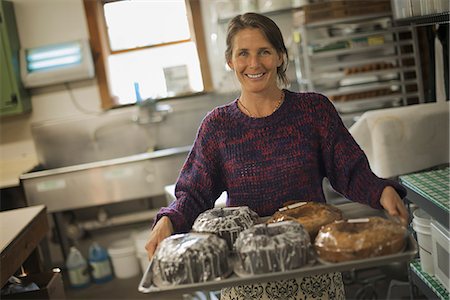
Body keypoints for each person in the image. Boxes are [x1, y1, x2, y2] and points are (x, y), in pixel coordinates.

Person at [145, 12, 409, 299]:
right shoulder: (218, 126)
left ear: (281, 57)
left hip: (310, 272)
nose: (254, 64)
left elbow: (348, 169)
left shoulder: (313, 111)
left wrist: (381, 190)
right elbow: (195, 193)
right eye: (243, 53)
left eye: (264, 52)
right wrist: (168, 220)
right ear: (230, 61)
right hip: (250, 275)